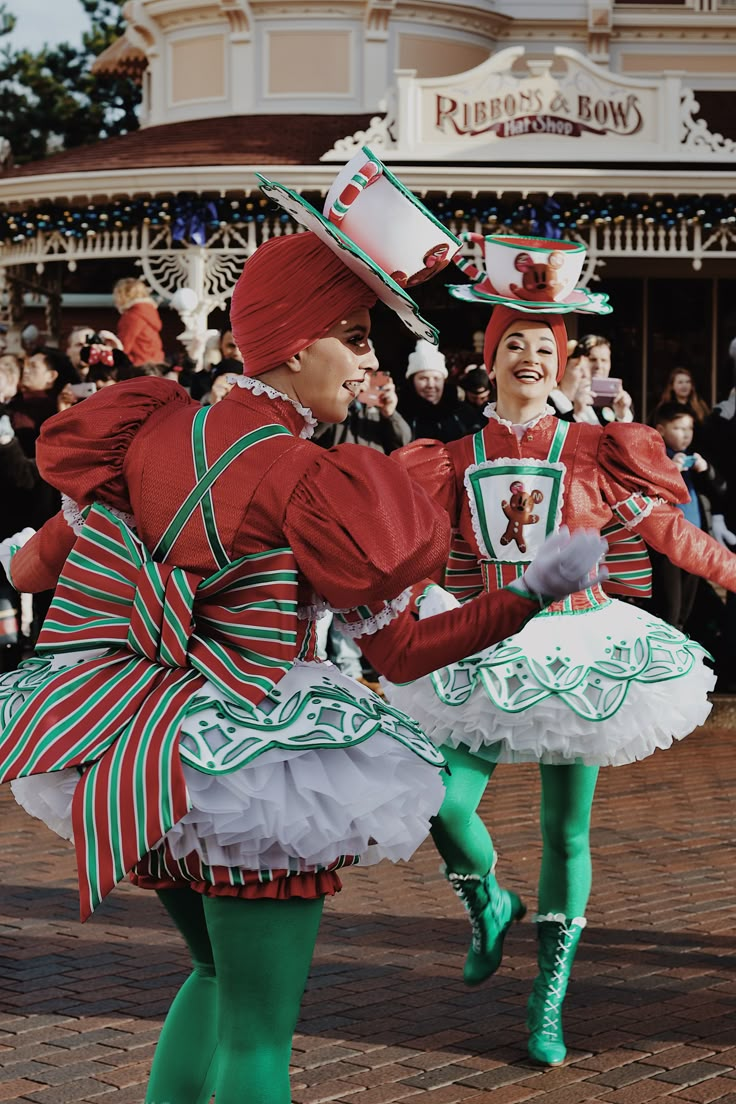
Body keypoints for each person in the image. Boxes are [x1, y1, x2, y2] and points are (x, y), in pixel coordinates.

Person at [0, 152, 602, 1104]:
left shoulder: (153, 422)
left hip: (134, 746)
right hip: (252, 772)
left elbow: (62, 541)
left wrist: (21, 564)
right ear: (293, 343)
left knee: (210, 980)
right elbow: (400, 649)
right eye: (357, 338)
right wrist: (528, 592)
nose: (373, 364)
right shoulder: (309, 476)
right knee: (257, 1038)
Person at [385, 247, 736, 1068]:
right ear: (490, 356)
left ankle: (548, 1003)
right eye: (516, 343)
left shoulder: (598, 451)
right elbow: (421, 552)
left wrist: (731, 570)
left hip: (580, 646)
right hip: (485, 641)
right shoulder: (451, 456)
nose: (531, 358)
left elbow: (669, 533)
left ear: (565, 362)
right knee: (440, 800)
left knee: (564, 832)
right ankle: (489, 904)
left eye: (546, 346)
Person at [648, 402, 721, 631]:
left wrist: (705, 469)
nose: (686, 434)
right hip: (668, 543)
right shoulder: (655, 456)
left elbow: (719, 490)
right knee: (669, 607)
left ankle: (680, 655)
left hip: (694, 541)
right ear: (661, 429)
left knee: (686, 610)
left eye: (689, 429)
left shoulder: (692, 456)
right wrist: (670, 469)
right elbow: (648, 490)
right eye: (679, 428)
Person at [398, 340, 469, 442]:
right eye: (423, 378)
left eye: (436, 378)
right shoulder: (401, 414)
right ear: (412, 381)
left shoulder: (462, 413)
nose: (431, 385)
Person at [576, 333, 634, 424]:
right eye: (593, 359)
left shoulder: (620, 398)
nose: (599, 366)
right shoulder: (569, 395)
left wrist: (622, 416)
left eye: (604, 360)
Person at [114, 277, 165, 366]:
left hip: (139, 364)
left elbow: (124, 345)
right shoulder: (149, 311)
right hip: (156, 361)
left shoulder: (132, 315)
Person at [548, 340, 596, 424]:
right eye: (578, 368)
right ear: (561, 371)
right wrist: (576, 413)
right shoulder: (547, 404)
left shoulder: (593, 404)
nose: (585, 375)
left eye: (586, 369)